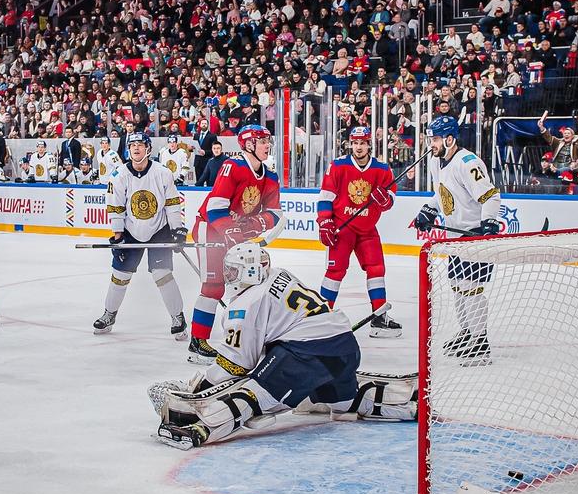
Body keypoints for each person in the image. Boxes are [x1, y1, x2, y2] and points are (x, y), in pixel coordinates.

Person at [153, 244, 417, 449]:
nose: (229, 276)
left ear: (251, 271)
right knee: (344, 403)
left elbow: (236, 363)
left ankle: (200, 429)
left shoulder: (246, 304)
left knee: (252, 395)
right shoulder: (280, 274)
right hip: (345, 347)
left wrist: (201, 388)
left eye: (233, 271)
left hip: (305, 354)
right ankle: (407, 406)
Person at [188, 124, 283, 364]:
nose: (266, 146)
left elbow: (275, 214)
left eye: (267, 142)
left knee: (248, 287)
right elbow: (215, 208)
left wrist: (255, 224)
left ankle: (243, 338)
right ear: (249, 145)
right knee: (214, 287)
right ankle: (197, 342)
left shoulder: (270, 176)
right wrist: (231, 232)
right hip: (209, 229)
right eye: (262, 142)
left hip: (236, 236)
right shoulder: (233, 167)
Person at [413, 116, 502, 364]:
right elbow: (441, 193)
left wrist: (489, 224)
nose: (432, 143)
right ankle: (468, 333)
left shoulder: (467, 162)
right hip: (455, 236)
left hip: (473, 234)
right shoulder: (435, 161)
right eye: (431, 139)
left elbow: (491, 196)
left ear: (450, 139)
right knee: (458, 287)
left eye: (436, 139)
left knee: (472, 290)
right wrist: (428, 209)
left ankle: (480, 342)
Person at [92, 132, 188, 339]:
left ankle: (178, 317)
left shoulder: (163, 173)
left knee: (162, 274)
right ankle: (109, 314)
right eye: (132, 145)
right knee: (120, 276)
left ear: (148, 149)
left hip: (159, 230)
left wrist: (177, 231)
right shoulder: (118, 175)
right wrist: (118, 236)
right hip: (131, 231)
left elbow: (172, 204)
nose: (136, 148)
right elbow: (115, 207)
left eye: (140, 145)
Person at [316, 127, 402, 337]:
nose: (358, 147)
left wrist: (385, 200)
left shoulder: (382, 169)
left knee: (377, 269)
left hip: (367, 229)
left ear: (369, 144)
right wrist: (325, 222)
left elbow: (390, 199)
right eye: (355, 143)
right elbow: (325, 197)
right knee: (335, 271)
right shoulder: (338, 165)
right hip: (342, 227)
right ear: (350, 144)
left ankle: (379, 316)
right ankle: (321, 315)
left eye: (362, 143)